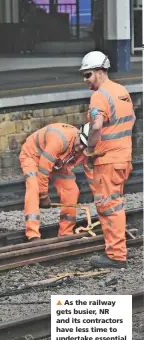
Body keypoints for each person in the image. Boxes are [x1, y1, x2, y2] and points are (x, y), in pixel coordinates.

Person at [79, 51, 136, 269]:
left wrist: (91, 148)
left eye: (89, 74)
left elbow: (96, 126)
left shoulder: (100, 95)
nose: (86, 80)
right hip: (123, 158)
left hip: (108, 160)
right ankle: (117, 249)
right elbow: (131, 119)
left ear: (101, 71)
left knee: (108, 206)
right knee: (115, 203)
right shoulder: (121, 91)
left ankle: (116, 255)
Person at [19, 122, 94, 241]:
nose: (80, 148)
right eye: (80, 143)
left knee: (71, 191)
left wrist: (101, 198)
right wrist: (43, 196)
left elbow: (91, 173)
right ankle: (33, 235)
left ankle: (66, 233)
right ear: (78, 134)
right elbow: (44, 170)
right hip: (32, 155)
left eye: (84, 146)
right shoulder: (59, 139)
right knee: (34, 188)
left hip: (56, 162)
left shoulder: (85, 150)